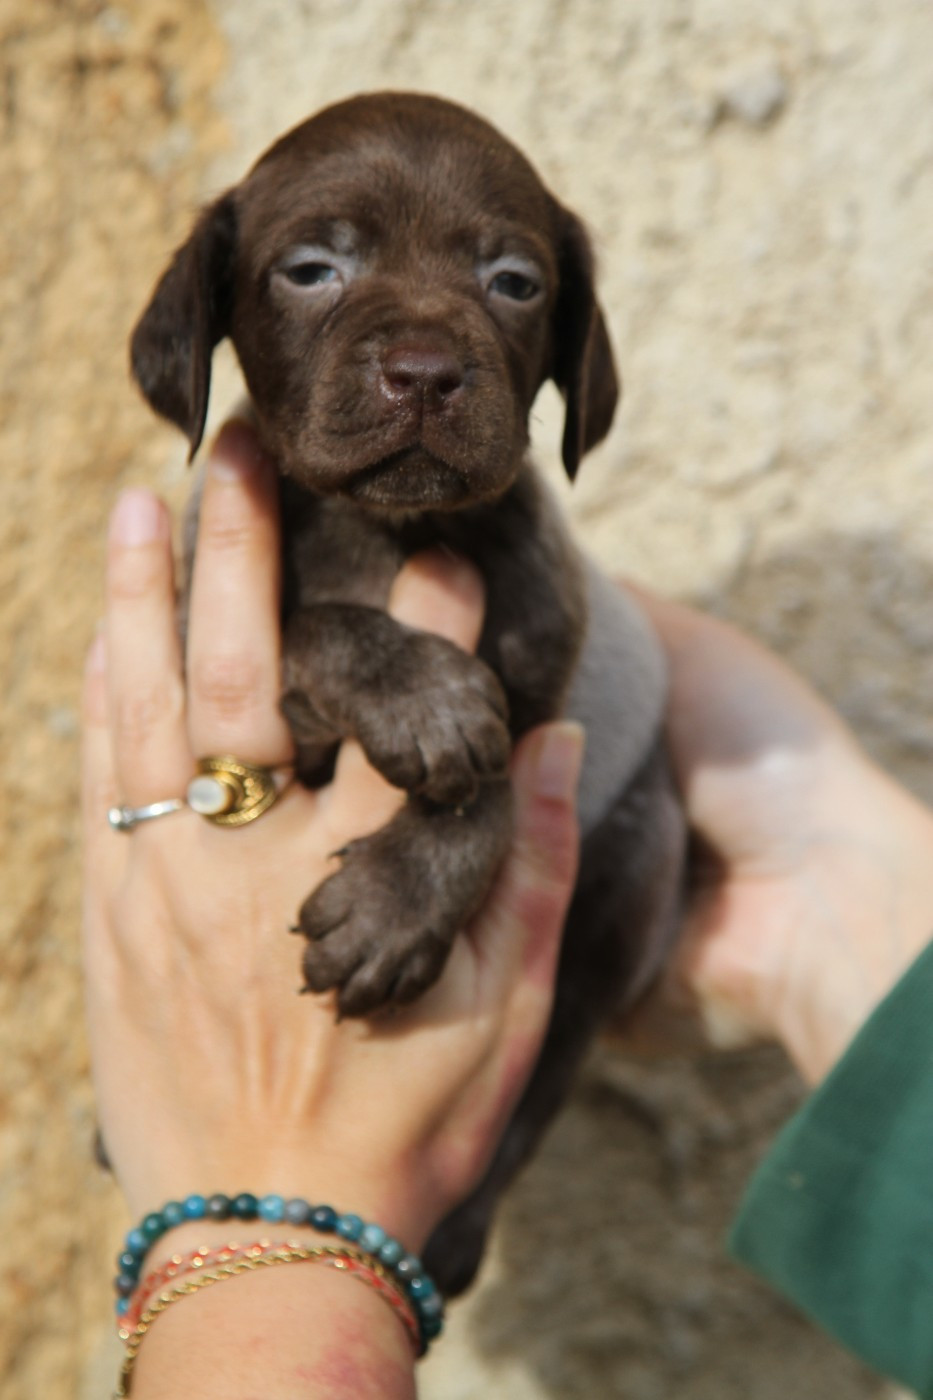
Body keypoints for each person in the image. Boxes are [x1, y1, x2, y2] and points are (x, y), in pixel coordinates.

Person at [83, 420, 933, 1397]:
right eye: (312, 266)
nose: (421, 357)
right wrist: (831, 898)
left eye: (513, 283)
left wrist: (272, 1225)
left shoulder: (528, 567)